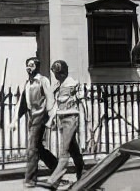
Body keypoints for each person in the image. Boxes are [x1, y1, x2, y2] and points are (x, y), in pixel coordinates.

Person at [18, 56, 57, 188]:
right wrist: (13, 120)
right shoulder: (28, 83)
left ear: (37, 67)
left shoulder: (42, 80)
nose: (29, 68)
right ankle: (56, 167)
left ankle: (30, 179)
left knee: (32, 148)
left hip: (40, 117)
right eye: (27, 65)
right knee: (38, 147)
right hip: (31, 117)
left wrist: (52, 117)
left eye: (31, 65)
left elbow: (50, 98)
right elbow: (22, 103)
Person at [46, 60, 85, 188]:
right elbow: (57, 105)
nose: (55, 76)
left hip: (70, 119)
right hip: (62, 119)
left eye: (56, 74)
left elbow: (77, 103)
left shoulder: (70, 85)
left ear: (62, 73)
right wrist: (51, 119)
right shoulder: (60, 84)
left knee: (64, 151)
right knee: (73, 149)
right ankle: (82, 173)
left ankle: (53, 181)